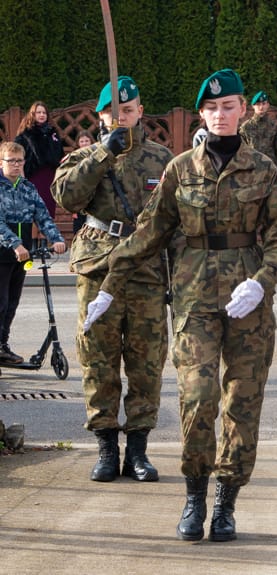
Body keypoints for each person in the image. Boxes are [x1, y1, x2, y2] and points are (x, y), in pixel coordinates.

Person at [81, 69, 277, 540]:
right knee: (198, 399)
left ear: (242, 110)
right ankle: (195, 495)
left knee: (242, 404)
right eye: (212, 108)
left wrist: (262, 281)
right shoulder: (180, 169)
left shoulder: (262, 168)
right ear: (202, 113)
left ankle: (226, 501)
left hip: (248, 303)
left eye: (229, 106)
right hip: (194, 297)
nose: (220, 114)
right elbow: (148, 233)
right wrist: (109, 285)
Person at [51, 75, 174, 484]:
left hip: (146, 270)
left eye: (128, 110)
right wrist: (103, 153)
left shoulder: (163, 159)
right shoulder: (83, 156)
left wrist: (179, 279)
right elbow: (66, 197)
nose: (121, 117)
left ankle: (138, 449)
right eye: (112, 111)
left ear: (140, 111)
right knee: (98, 358)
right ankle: (106, 447)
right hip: (98, 265)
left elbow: (176, 221)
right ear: (100, 115)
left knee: (146, 361)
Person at [0, 142, 66, 363]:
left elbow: (43, 216)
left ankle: (2, 346)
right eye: (11, 161)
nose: (16, 165)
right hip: (4, 252)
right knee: (1, 303)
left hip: (22, 255)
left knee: (11, 303)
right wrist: (15, 244)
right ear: (1, 162)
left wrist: (56, 239)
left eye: (19, 161)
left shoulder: (28, 188)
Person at [15, 101, 65, 218]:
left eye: (44, 112)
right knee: (33, 210)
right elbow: (17, 156)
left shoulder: (53, 133)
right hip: (33, 176)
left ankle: (45, 230)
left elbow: (60, 154)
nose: (42, 115)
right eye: (38, 112)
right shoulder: (25, 134)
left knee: (48, 211)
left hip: (51, 177)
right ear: (33, 114)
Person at [239, 91, 277, 177]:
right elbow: (240, 152)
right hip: (251, 173)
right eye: (258, 104)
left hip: (270, 172)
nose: (261, 107)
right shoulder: (245, 128)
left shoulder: (275, 127)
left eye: (264, 104)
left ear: (268, 105)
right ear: (253, 106)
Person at [71, 131, 95, 235]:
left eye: (87, 141)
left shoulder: (97, 156)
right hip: (79, 197)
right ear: (78, 143)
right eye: (82, 141)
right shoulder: (74, 158)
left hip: (94, 196)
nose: (84, 143)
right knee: (78, 229)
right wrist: (73, 208)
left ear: (91, 142)